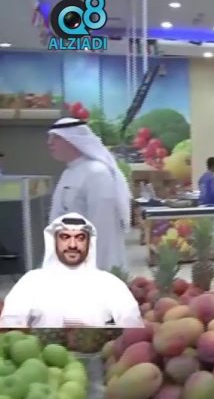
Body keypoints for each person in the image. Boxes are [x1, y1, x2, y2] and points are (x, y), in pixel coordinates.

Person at [0, 213, 143, 328]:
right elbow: (10, 324)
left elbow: (132, 325)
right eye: (65, 237)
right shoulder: (31, 281)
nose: (72, 245)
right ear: (54, 241)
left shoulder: (110, 283)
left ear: (89, 243)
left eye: (80, 238)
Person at [47, 117, 132, 271]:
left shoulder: (97, 174)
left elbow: (102, 229)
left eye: (56, 138)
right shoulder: (69, 172)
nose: (50, 143)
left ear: (73, 139)